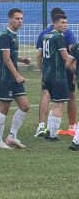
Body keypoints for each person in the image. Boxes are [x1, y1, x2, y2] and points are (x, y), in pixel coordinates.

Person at [34, 7, 76, 137]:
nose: (65, 25)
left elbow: (38, 56)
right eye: (63, 23)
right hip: (58, 74)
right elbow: (67, 56)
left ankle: (42, 127)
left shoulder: (45, 34)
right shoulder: (60, 36)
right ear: (55, 22)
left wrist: (42, 70)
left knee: (47, 97)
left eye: (66, 23)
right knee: (61, 101)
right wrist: (75, 71)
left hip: (47, 74)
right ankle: (54, 133)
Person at [0, 8, 31, 149]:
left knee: (25, 106)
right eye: (17, 18)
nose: (20, 21)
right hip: (6, 78)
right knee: (4, 108)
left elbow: (12, 56)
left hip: (14, 78)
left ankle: (11, 136)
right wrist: (17, 76)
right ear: (10, 19)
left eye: (21, 19)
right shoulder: (5, 35)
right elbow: (6, 58)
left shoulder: (14, 35)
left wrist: (22, 60)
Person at [67, 42, 79, 150]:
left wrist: (76, 73)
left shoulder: (76, 45)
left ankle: (76, 141)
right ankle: (76, 141)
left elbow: (68, 63)